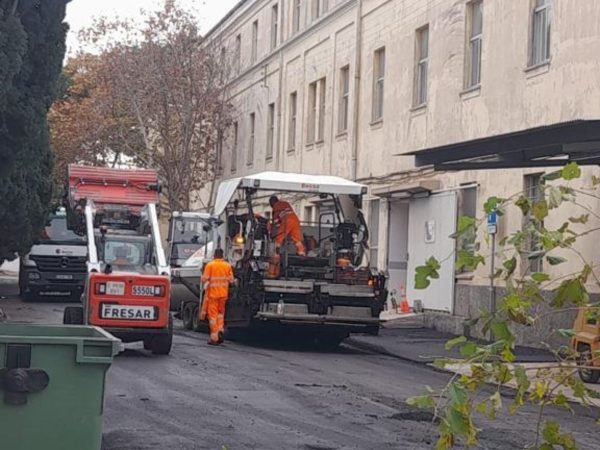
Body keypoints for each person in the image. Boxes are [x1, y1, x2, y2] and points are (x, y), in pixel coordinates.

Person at [200, 248, 234, 346]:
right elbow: (231, 280)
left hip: (213, 295)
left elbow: (204, 279)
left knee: (213, 317)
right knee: (220, 314)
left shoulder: (210, 265)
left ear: (214, 255)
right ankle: (220, 330)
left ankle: (214, 337)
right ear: (222, 255)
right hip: (223, 294)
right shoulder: (227, 266)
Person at [268, 196, 306, 278]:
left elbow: (276, 223)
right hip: (295, 220)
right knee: (297, 239)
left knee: (278, 240)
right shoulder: (285, 203)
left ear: (272, 203)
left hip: (286, 220)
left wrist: (273, 234)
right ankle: (302, 254)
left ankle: (276, 254)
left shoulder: (275, 206)